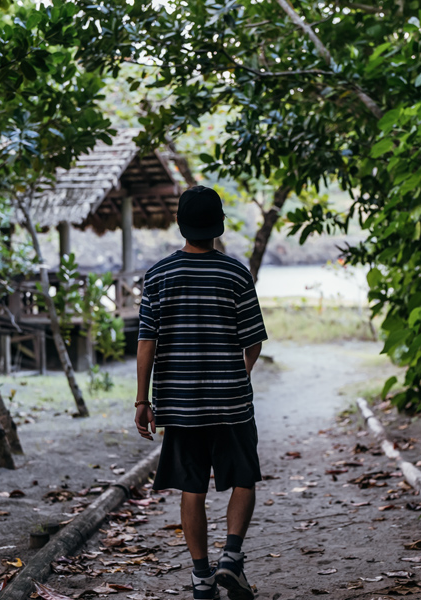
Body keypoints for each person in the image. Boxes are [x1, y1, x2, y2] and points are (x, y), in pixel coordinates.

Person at [134, 186, 267, 600]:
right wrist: (236, 376)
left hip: (179, 402)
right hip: (231, 402)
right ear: (219, 226)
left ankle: (201, 577)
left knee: (192, 488)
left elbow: (146, 343)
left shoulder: (157, 276)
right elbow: (254, 341)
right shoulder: (236, 273)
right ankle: (231, 557)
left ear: (181, 225)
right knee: (244, 478)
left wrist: (143, 400)